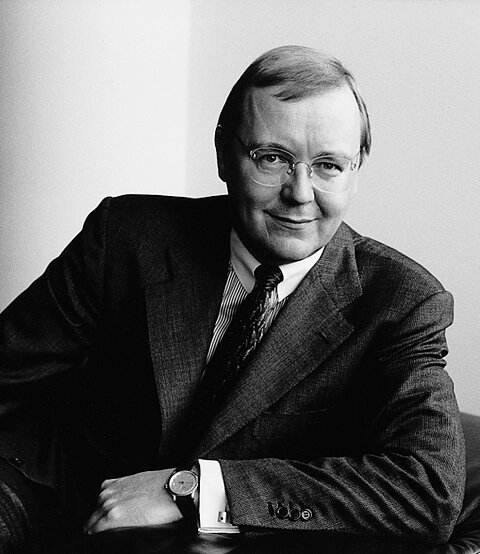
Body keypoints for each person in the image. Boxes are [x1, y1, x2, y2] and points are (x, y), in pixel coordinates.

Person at [0, 45, 465, 552]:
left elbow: (428, 491)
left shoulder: (402, 301)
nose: (300, 193)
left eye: (328, 165)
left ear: (357, 169)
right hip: (56, 510)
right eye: (273, 158)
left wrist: (193, 488)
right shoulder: (126, 238)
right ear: (224, 154)